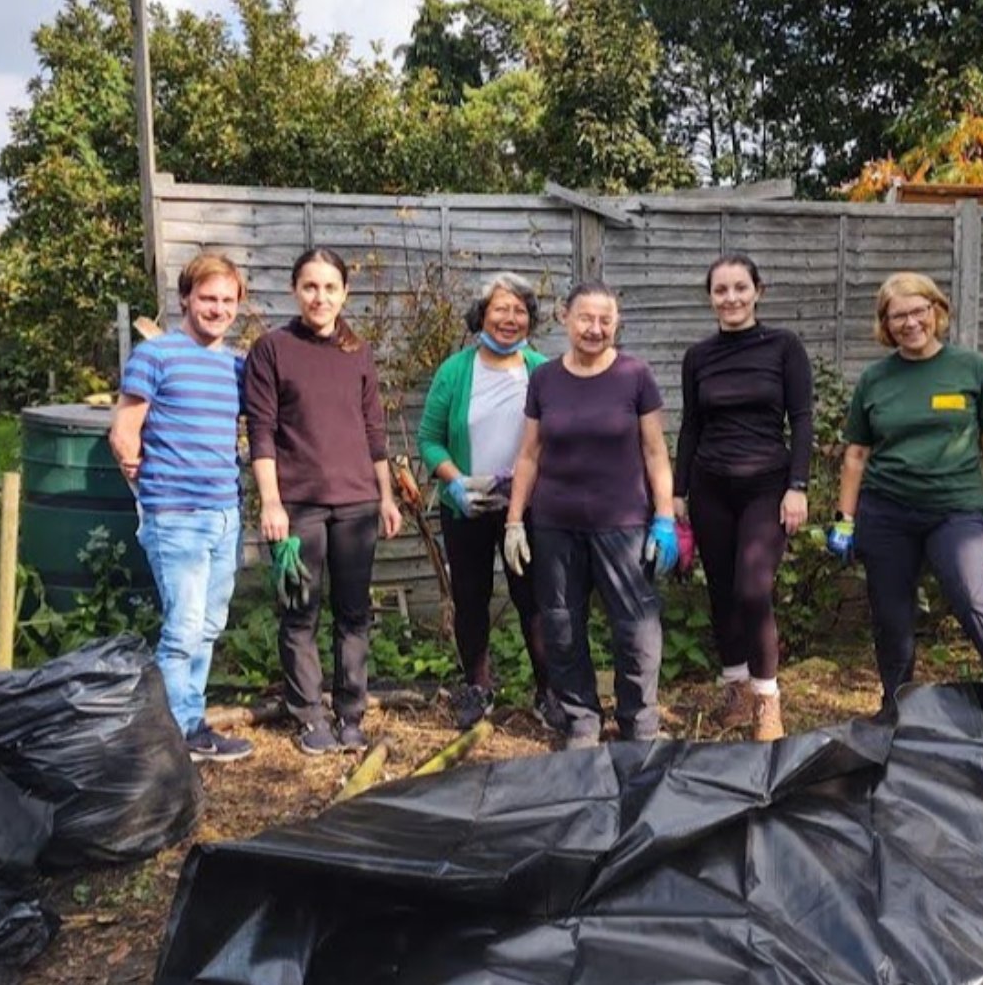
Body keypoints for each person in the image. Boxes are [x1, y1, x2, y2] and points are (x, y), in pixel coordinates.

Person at [832, 271, 983, 716]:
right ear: (885, 324)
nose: (909, 322)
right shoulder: (875, 379)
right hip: (886, 512)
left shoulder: (972, 369)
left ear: (936, 311)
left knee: (973, 596)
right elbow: (856, 455)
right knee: (891, 616)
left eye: (918, 310)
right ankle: (897, 710)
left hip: (955, 513)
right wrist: (844, 520)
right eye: (897, 315)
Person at [503, 282, 678, 750]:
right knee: (560, 624)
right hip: (555, 523)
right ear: (565, 318)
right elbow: (529, 454)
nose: (595, 329)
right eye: (586, 318)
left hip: (622, 523)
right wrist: (515, 519)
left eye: (605, 320)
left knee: (636, 627)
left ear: (616, 323)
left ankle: (639, 721)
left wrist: (664, 517)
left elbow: (655, 451)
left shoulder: (634, 375)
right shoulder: (544, 379)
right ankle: (581, 720)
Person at [244, 247, 404, 755]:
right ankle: (310, 715)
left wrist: (386, 496)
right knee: (300, 613)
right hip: (299, 507)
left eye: (330, 287)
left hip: (356, 505)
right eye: (311, 287)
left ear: (344, 294)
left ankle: (351, 712)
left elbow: (374, 429)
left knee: (354, 614)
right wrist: (272, 503)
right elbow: (261, 432)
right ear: (296, 290)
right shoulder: (272, 349)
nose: (321, 297)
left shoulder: (356, 351)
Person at [109, 252, 253, 763]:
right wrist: (147, 488)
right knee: (183, 629)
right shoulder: (156, 356)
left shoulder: (236, 366)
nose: (217, 309)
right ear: (186, 299)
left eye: (227, 300)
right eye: (207, 298)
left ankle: (190, 724)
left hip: (224, 512)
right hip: (177, 515)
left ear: (238, 305)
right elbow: (124, 431)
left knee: (209, 626)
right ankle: (169, 738)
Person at [674, 254, 813, 742]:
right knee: (720, 592)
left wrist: (798, 486)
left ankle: (767, 700)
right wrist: (678, 492)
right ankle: (735, 690)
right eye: (720, 290)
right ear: (710, 297)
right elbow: (691, 424)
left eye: (739, 288)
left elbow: (801, 418)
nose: (730, 298)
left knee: (752, 589)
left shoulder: (783, 347)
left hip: (766, 485)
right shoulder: (699, 356)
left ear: (758, 290)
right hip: (710, 485)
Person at [418, 272, 565, 731]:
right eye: (500, 308)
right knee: (471, 597)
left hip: (526, 507)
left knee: (534, 599)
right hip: (468, 503)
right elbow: (429, 440)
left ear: (530, 320)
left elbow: (558, 440)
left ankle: (549, 692)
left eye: (519, 310)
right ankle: (477, 687)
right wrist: (455, 482)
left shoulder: (543, 371)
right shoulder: (455, 371)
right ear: (482, 315)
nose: (509, 318)